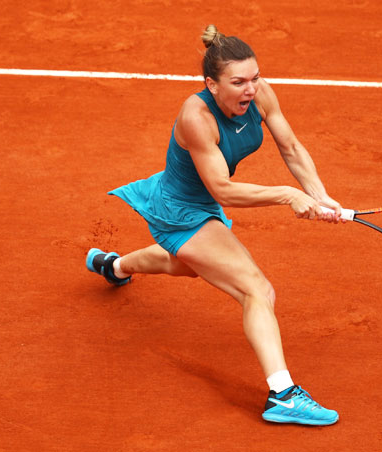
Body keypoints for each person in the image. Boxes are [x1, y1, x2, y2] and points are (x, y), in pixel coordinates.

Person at [86, 24, 342, 426]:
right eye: (238, 82)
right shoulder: (196, 116)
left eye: (254, 79)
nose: (250, 90)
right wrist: (289, 195)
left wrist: (320, 194)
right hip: (180, 210)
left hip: (201, 203)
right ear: (211, 83)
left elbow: (290, 147)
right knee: (256, 289)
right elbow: (223, 189)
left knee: (190, 264)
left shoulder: (260, 96)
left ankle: (113, 266)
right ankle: (284, 395)